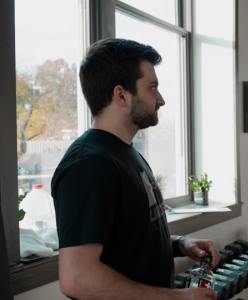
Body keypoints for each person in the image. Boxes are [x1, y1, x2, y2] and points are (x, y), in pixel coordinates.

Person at [51, 38, 220, 300]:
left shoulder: (128, 154)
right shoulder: (88, 164)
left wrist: (180, 244)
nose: (161, 99)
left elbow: (130, 235)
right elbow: (77, 279)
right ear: (121, 95)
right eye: (152, 88)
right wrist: (178, 298)